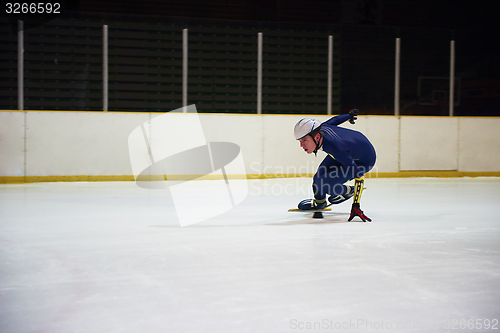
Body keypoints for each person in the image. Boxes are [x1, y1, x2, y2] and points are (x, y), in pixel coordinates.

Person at [294, 109, 376, 222]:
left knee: (325, 184)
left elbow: (359, 177)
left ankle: (347, 191)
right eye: (299, 141)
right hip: (350, 151)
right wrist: (349, 116)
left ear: (317, 137)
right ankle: (320, 202)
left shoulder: (337, 149)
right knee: (318, 178)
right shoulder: (321, 129)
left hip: (363, 161)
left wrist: (356, 206)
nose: (301, 145)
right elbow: (335, 120)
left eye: (304, 140)